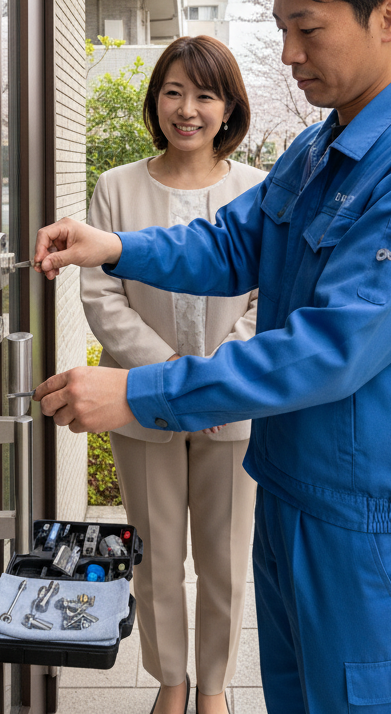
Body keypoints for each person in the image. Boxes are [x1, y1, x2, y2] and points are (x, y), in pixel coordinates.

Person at [32, 0, 391, 714]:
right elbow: (231, 245)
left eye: (308, 27)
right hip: (288, 482)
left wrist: (139, 390)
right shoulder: (320, 147)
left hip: (366, 523)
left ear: (389, 16)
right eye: (282, 27)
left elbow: (333, 346)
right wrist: (115, 245)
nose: (287, 52)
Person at [81, 35, 265, 714]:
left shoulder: (259, 190)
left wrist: (216, 381)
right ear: (156, 100)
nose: (188, 109)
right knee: (156, 555)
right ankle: (171, 680)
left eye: (205, 94)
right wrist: (170, 378)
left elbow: (265, 299)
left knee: (223, 559)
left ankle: (214, 688)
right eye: (174, 92)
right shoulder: (116, 187)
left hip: (234, 404)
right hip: (141, 400)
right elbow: (102, 297)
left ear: (229, 107)